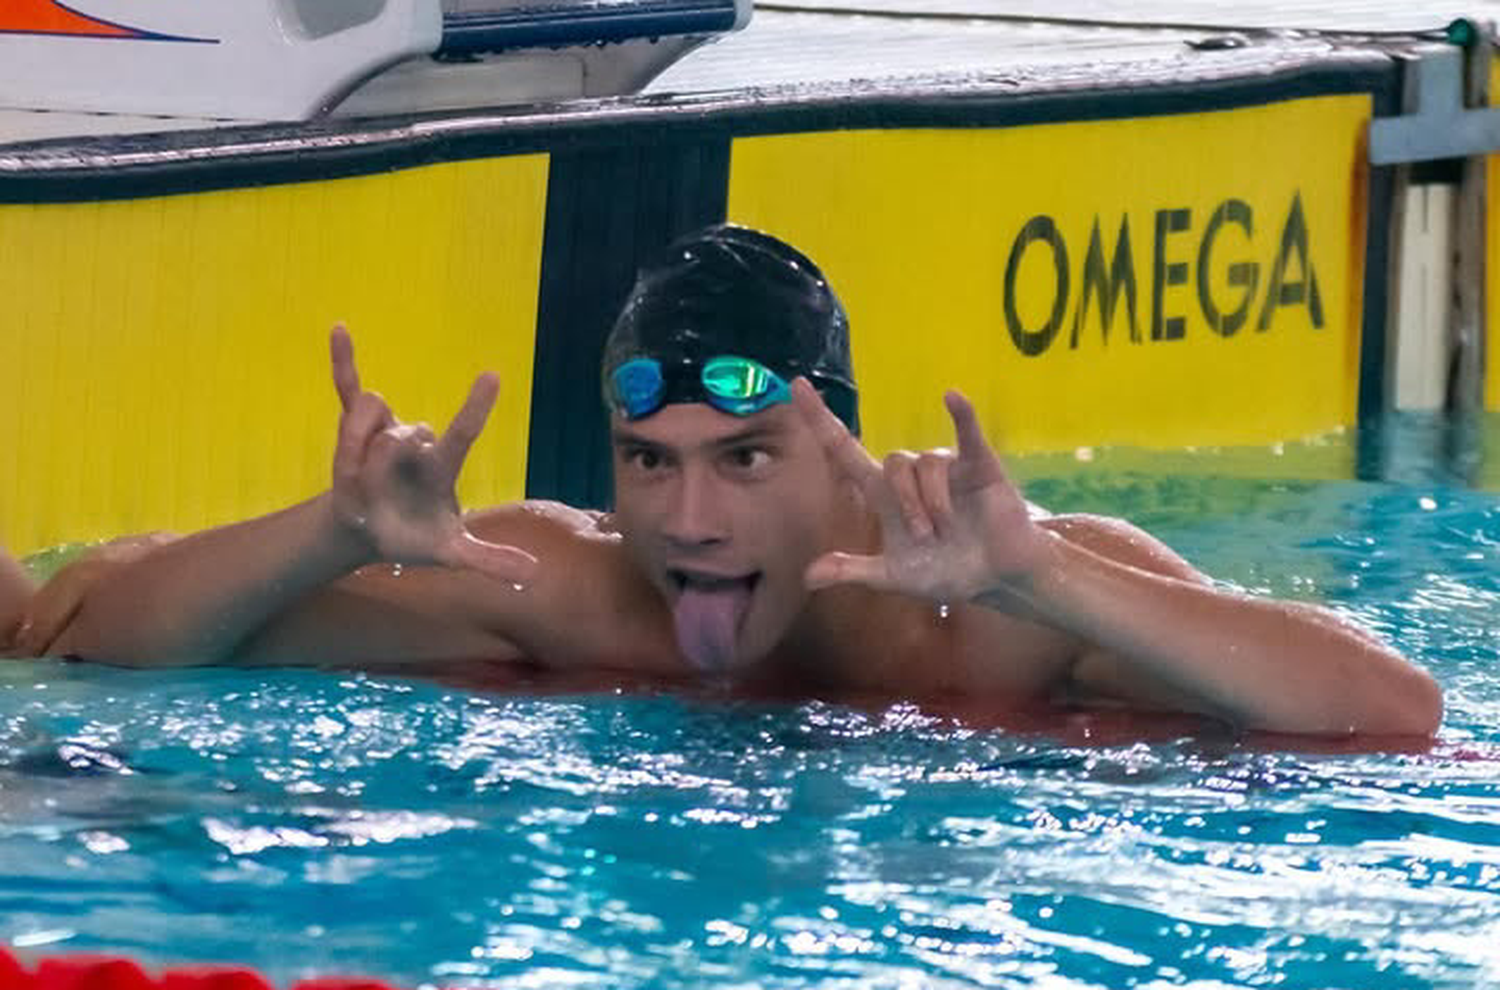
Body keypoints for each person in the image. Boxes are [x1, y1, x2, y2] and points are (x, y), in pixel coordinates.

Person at [34, 225, 1441, 737]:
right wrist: (330, 535)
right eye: (651, 463)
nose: (688, 520)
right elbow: (78, 631)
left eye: (744, 461)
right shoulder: (566, 584)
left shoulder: (1004, 601)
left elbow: (1394, 710)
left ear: (841, 455)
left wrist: (1048, 576)